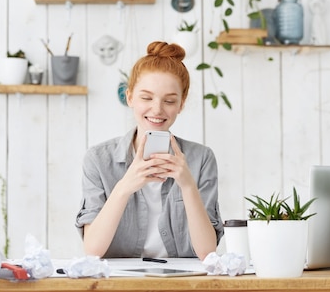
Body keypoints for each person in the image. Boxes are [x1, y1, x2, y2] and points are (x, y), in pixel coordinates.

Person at [75, 41, 223, 259]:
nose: (157, 109)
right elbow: (92, 250)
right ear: (130, 97)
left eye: (169, 101)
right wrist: (125, 186)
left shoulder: (201, 159)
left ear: (181, 104)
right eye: (146, 97)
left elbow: (207, 253)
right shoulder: (98, 159)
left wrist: (188, 185)